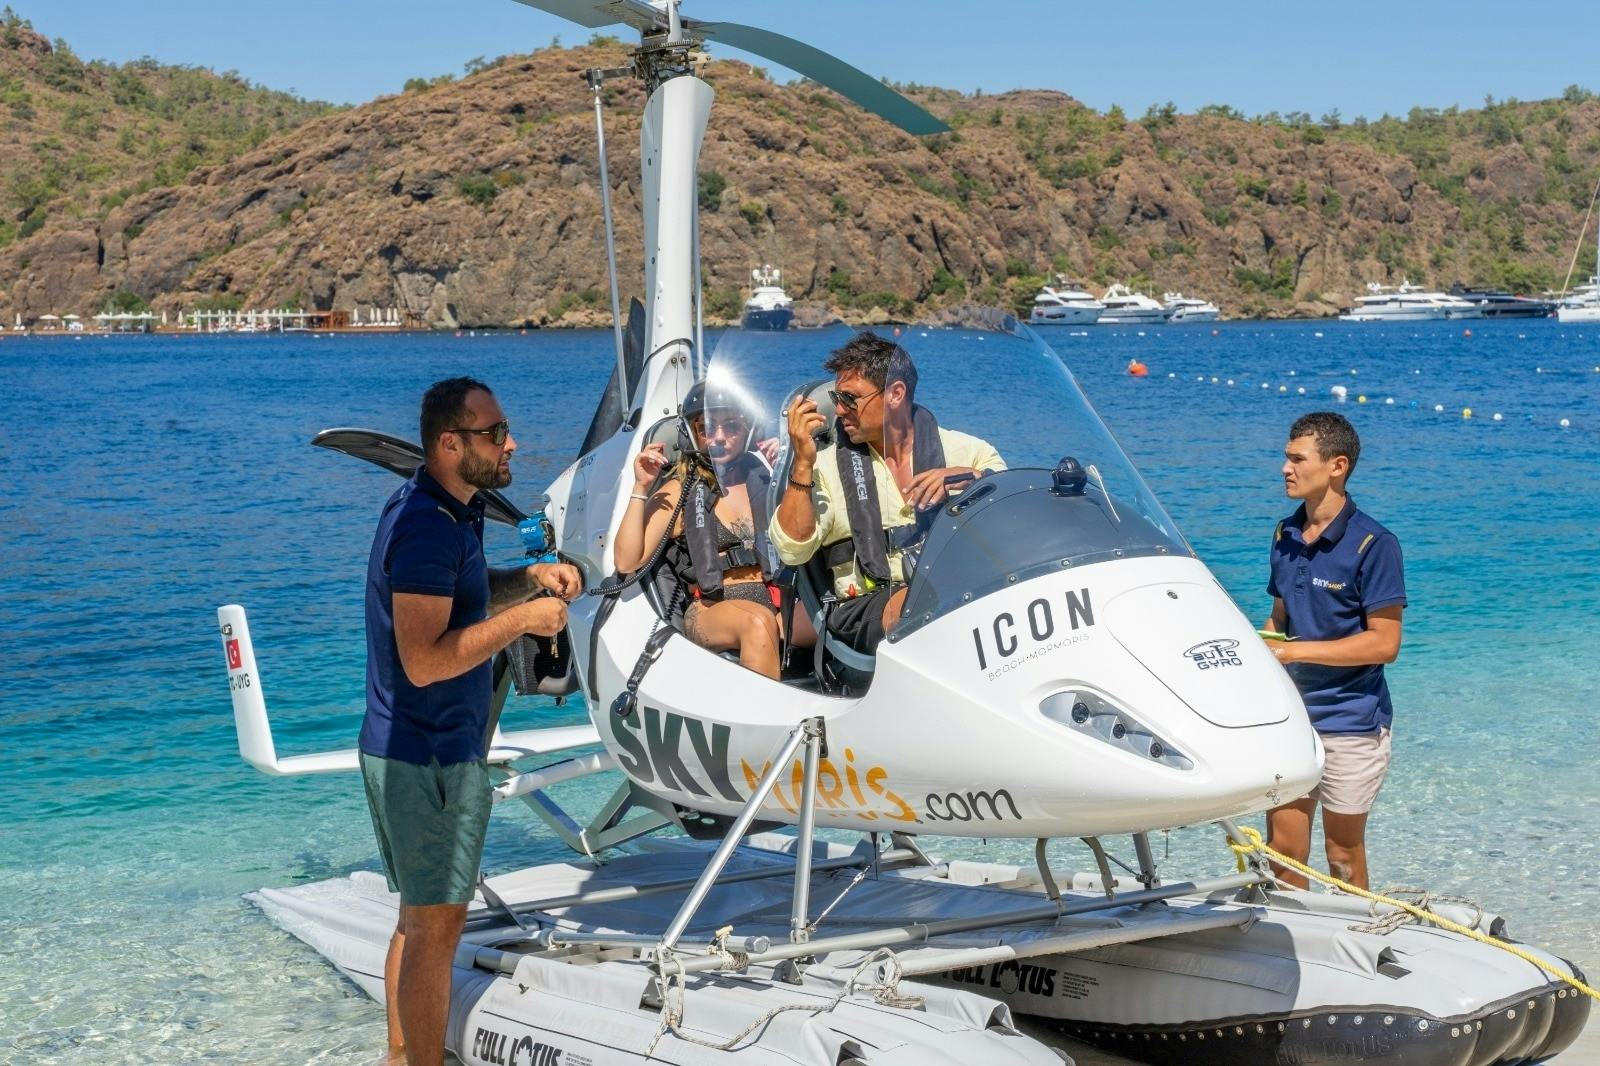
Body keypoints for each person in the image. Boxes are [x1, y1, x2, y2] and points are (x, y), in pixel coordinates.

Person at [360, 377, 581, 1066]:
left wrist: (528, 582)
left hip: (415, 748)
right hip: (425, 755)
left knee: (420, 919)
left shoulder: (453, 509)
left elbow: (462, 595)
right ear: (451, 444)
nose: (511, 443)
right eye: (495, 433)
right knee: (436, 929)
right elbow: (425, 660)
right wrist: (526, 620)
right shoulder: (427, 526)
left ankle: (401, 1055)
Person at [770, 331, 1004, 654]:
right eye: (837, 398)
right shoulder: (821, 467)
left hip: (952, 593)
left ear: (895, 394)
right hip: (860, 609)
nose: (839, 410)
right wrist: (801, 463)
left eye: (850, 399)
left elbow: (1011, 505)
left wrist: (970, 479)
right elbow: (791, 551)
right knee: (919, 601)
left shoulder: (967, 453)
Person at [1262, 411, 1406, 892]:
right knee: (1283, 849)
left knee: (1341, 853)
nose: (1285, 468)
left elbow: (1385, 643)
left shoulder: (1375, 544)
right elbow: (1280, 619)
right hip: (1290, 719)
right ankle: (1289, 930)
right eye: (1286, 458)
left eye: (1297, 459)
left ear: (1336, 466)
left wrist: (1294, 653)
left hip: (1352, 719)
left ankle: (1357, 929)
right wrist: (1255, 653)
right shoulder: (1284, 535)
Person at [612, 380, 811, 679]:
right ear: (691, 433)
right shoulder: (680, 489)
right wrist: (641, 486)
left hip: (777, 602)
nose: (719, 437)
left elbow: (804, 535)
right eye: (706, 428)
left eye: (731, 427)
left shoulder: (768, 477)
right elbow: (627, 561)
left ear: (748, 430)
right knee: (758, 623)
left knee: (836, 618)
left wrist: (791, 470)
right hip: (711, 609)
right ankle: (759, 708)